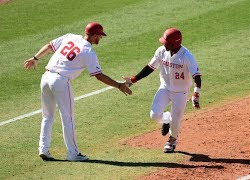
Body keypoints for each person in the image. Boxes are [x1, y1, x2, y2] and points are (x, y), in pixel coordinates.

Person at [24, 22, 132, 161]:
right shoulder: (88, 51)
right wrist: (119, 85)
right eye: (100, 36)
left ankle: (43, 149)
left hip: (45, 78)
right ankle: (73, 154)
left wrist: (35, 58)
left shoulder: (70, 37)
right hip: (60, 82)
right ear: (93, 35)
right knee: (67, 119)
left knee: (47, 116)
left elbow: (49, 46)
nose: (101, 38)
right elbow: (98, 75)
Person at [123, 28, 201, 153]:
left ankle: (172, 140)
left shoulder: (187, 56)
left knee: (176, 122)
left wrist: (196, 93)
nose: (163, 44)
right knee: (154, 115)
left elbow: (196, 75)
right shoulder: (161, 51)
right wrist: (133, 79)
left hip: (180, 92)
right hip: (164, 88)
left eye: (166, 42)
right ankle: (166, 119)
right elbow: (150, 67)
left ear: (175, 43)